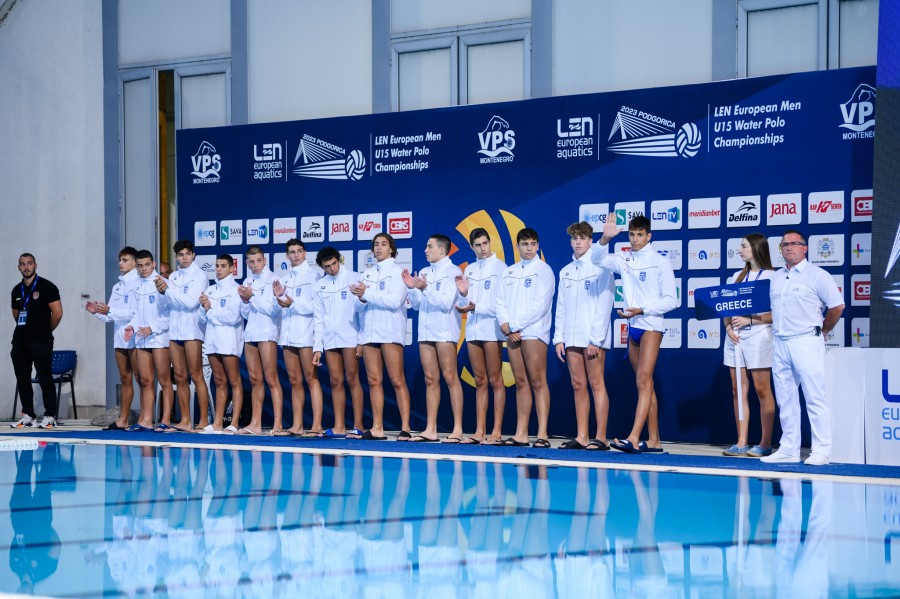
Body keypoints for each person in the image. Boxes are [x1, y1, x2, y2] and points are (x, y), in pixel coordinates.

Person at [592, 214, 677, 454]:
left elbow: (672, 300)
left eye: (640, 235)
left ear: (649, 236)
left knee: (643, 381)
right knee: (645, 384)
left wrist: (643, 309)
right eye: (631, 234)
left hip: (651, 324)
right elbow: (597, 259)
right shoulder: (624, 258)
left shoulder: (660, 262)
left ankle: (633, 437)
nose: (635, 239)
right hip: (633, 327)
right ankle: (654, 440)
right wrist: (605, 238)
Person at [761, 230, 844, 466]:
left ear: (805, 248)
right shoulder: (776, 277)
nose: (789, 247)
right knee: (785, 399)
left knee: (814, 396)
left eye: (794, 243)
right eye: (784, 244)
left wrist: (823, 330)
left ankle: (822, 450)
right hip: (780, 342)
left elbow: (837, 307)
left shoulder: (817, 275)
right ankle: (789, 448)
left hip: (806, 341)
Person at [554, 221, 615, 450]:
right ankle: (582, 436)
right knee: (578, 384)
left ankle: (601, 437)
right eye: (574, 238)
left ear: (591, 241)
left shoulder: (601, 267)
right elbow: (561, 307)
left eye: (582, 238)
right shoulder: (566, 271)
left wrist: (596, 339)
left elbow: (605, 304)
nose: (578, 242)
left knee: (596, 383)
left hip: (593, 338)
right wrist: (559, 338)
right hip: (571, 337)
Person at [496, 228, 555, 448]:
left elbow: (540, 305)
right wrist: (506, 325)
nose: (529, 248)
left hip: (534, 331)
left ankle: (542, 433)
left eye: (532, 244)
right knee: (520, 382)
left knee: (538, 381)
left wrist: (513, 325)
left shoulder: (544, 270)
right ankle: (521, 433)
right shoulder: (509, 271)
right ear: (518, 246)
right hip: (512, 333)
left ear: (537, 246)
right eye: (524, 244)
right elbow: (500, 301)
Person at [350, 232, 412, 441]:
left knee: (397, 380)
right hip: (369, 333)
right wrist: (361, 298)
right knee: (373, 381)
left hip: (390, 332)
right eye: (376, 244)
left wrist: (366, 295)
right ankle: (377, 427)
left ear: (391, 249)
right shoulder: (366, 274)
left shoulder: (398, 272)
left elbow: (394, 301)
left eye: (384, 244)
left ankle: (405, 427)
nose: (379, 248)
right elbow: (358, 307)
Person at [402, 234, 464, 443]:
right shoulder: (425, 272)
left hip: (445, 331)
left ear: (442, 250)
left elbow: (446, 303)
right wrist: (412, 288)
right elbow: (417, 305)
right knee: (430, 379)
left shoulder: (454, 272)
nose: (425, 250)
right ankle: (430, 429)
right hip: (426, 332)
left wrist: (425, 288)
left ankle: (457, 428)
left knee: (450, 377)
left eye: (429, 247)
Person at [721, 233, 776, 458]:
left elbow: (778, 314)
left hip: (760, 337)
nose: (740, 250)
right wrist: (728, 327)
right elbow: (725, 308)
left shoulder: (773, 277)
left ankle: (765, 443)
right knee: (737, 390)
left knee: (762, 389)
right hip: (734, 339)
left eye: (744, 246)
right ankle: (741, 441)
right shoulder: (736, 276)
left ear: (756, 248)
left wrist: (750, 320)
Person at [455, 228, 507, 445]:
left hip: (492, 330)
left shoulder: (501, 268)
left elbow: (501, 304)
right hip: (473, 329)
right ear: (471, 247)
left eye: (485, 243)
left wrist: (476, 307)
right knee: (480, 381)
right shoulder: (470, 269)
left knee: (495, 380)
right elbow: (464, 301)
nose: (483, 248)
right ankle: (479, 431)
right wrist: (463, 296)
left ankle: (496, 431)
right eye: (478, 245)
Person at [156, 240, 210, 432]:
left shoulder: (200, 275)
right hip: (174, 331)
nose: (184, 258)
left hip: (192, 331)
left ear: (193, 255)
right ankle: (185, 420)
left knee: (196, 375)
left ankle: (203, 421)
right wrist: (162, 293)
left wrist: (168, 291)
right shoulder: (173, 277)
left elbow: (190, 303)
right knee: (179, 376)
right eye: (180, 255)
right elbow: (166, 305)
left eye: (187, 254)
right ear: (176, 257)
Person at [273, 238, 325, 437]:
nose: (296, 255)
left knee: (311, 379)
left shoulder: (314, 276)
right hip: (288, 335)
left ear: (305, 253)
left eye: (299, 251)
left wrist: (291, 303)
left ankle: (317, 426)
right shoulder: (284, 279)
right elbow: (280, 309)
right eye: (292, 252)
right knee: (294, 380)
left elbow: (316, 307)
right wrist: (278, 299)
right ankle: (297, 425)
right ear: (287, 256)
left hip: (306, 335)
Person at [312, 247, 365, 438]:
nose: (332, 268)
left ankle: (358, 425)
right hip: (330, 339)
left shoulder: (354, 278)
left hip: (350, 336)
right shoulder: (319, 285)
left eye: (334, 264)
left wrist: (361, 340)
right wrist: (317, 347)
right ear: (322, 267)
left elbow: (362, 313)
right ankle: (339, 426)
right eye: (327, 266)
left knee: (353, 379)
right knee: (335, 381)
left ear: (339, 260)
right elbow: (318, 319)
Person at [85, 246, 139, 430]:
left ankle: (146, 419)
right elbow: (110, 316)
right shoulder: (117, 286)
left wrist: (110, 311)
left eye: (125, 260)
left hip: (135, 336)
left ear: (134, 263)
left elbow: (134, 313)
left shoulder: (138, 284)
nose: (120, 263)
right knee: (124, 378)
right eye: (120, 260)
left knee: (142, 380)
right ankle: (123, 419)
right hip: (120, 338)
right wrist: (96, 312)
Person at [10, 253, 63, 429]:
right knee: (22, 378)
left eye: (29, 263)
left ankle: (50, 415)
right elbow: (16, 315)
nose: (26, 267)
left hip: (41, 342)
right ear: (19, 267)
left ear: (35, 265)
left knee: (44, 377)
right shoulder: (16, 290)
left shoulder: (47, 287)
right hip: (20, 342)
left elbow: (57, 313)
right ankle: (28, 415)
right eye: (22, 264)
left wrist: (45, 331)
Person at [123, 250, 173, 432]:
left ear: (153, 264)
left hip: (159, 338)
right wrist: (131, 326)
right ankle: (146, 420)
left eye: (147, 265)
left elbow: (169, 314)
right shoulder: (136, 285)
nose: (143, 269)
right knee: (145, 380)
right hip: (142, 337)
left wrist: (152, 328)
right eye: (140, 265)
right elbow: (136, 313)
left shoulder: (162, 283)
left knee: (164, 380)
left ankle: (165, 420)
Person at [238, 246, 283, 435]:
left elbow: (273, 310)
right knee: (255, 380)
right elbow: (245, 313)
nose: (255, 265)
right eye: (251, 262)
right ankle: (255, 424)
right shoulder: (247, 281)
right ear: (247, 263)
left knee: (271, 378)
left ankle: (278, 424)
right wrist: (246, 301)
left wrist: (252, 297)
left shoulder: (274, 279)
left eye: (258, 261)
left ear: (265, 260)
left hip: (267, 333)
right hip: (251, 334)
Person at [198, 255, 244, 434]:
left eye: (223, 266)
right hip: (212, 341)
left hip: (229, 341)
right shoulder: (210, 290)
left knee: (234, 381)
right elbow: (202, 319)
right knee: (219, 381)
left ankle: (234, 423)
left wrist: (210, 310)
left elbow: (232, 317)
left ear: (232, 268)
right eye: (217, 266)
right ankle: (217, 422)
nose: (218, 269)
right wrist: (204, 308)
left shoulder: (236, 290)